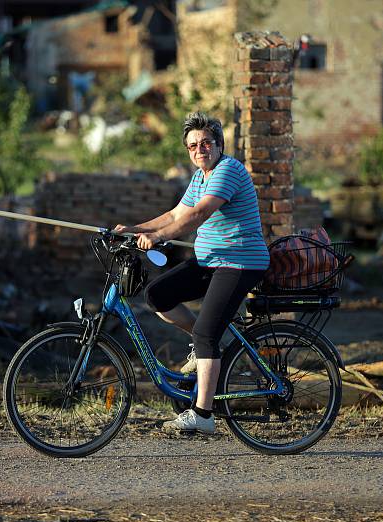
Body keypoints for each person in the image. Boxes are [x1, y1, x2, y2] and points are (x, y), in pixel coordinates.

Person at [114, 111, 269, 434]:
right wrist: (133, 229)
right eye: (192, 145)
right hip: (210, 260)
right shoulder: (200, 176)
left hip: (239, 262)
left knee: (205, 335)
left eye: (206, 143)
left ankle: (203, 414)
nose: (200, 149)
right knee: (158, 295)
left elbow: (199, 214)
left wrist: (159, 237)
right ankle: (205, 350)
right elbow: (175, 213)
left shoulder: (227, 170)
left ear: (219, 144)